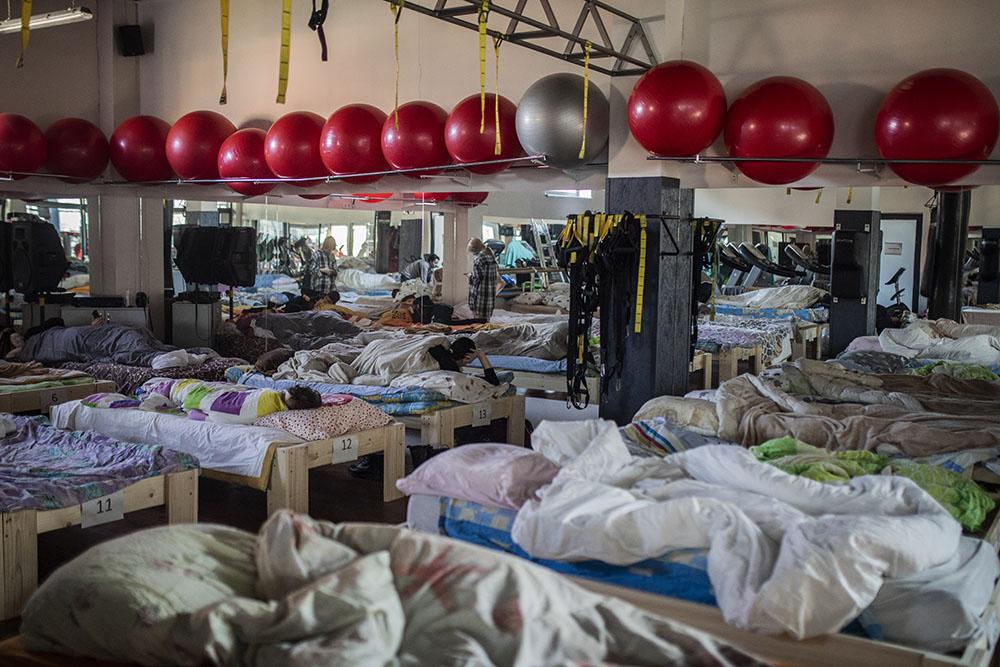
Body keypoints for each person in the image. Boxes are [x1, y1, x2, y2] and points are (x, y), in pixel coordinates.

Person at [428, 337, 500, 386]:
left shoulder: (437, 351)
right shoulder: (455, 374)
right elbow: (493, 382)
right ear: (467, 358)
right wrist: (481, 355)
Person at [467, 237, 499, 320]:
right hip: (490, 295)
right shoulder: (491, 256)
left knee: (478, 323)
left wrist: (469, 276)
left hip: (480, 295)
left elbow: (477, 278)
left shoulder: (479, 258)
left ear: (474, 249)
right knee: (486, 322)